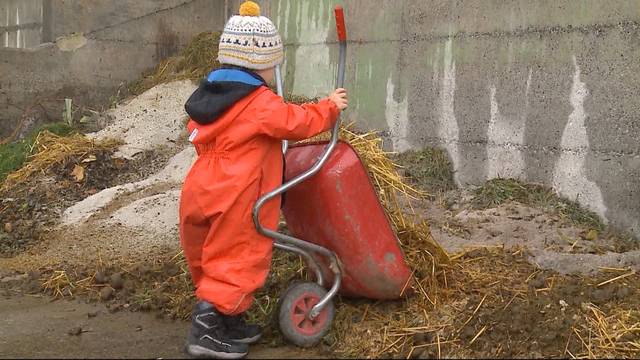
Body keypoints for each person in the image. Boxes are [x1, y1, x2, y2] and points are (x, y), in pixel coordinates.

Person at [179, 1, 348, 358]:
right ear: (260, 65)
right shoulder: (258, 102)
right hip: (238, 191)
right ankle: (206, 332)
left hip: (200, 186)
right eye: (273, 66)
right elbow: (295, 122)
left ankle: (228, 321)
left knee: (209, 253)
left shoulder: (210, 98)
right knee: (237, 255)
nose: (274, 74)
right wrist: (329, 107)